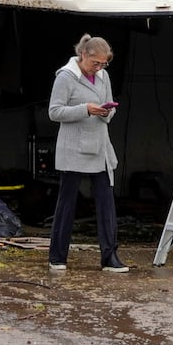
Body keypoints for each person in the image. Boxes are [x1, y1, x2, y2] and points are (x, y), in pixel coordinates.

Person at [48, 33, 128, 273]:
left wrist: (106, 112)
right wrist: (86, 109)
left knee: (106, 203)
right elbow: (55, 112)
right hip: (73, 148)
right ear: (83, 55)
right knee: (67, 203)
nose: (99, 67)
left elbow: (109, 105)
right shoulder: (66, 76)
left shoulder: (103, 76)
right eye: (96, 63)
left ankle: (109, 256)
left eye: (104, 63)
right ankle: (57, 257)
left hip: (100, 148)